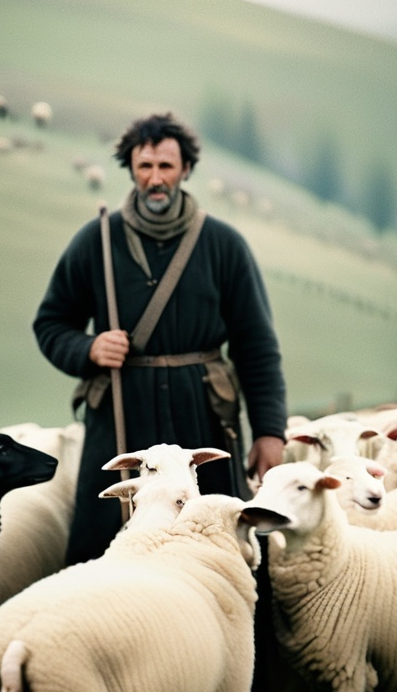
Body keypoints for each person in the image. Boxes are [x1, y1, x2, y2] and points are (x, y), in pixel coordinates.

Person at [34, 112, 287, 564]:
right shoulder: (96, 241)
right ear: (130, 168)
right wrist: (89, 348)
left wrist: (269, 431)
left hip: (203, 414)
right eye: (145, 166)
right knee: (106, 548)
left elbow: (256, 345)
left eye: (166, 167)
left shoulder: (223, 244)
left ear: (185, 169)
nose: (155, 179)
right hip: (120, 412)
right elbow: (51, 323)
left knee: (216, 543)